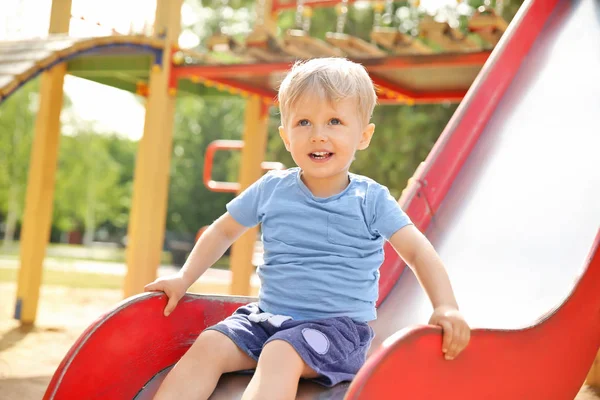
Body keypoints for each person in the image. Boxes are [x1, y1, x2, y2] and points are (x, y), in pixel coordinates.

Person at [146, 57, 470, 400]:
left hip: (337, 332)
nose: (319, 135)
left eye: (334, 121)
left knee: (281, 352)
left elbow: (419, 252)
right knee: (209, 344)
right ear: (286, 136)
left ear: (363, 135)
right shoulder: (271, 189)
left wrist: (445, 305)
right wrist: (184, 278)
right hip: (266, 319)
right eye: (304, 122)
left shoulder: (370, 199)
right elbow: (222, 232)